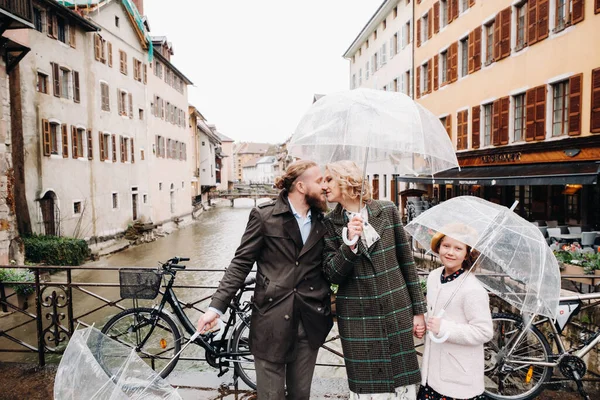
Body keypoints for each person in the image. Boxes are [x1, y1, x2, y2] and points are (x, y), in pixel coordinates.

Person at [196, 160, 334, 400]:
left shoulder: (324, 221)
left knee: (301, 395)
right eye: (319, 180)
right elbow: (240, 263)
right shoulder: (264, 216)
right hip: (272, 321)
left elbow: (333, 266)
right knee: (271, 396)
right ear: (301, 186)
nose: (325, 186)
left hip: (309, 320)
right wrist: (215, 308)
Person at [322, 160, 427, 399]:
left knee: (402, 384)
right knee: (366, 388)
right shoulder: (330, 223)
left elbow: (406, 262)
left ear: (346, 181)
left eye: (328, 179)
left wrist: (418, 311)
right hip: (357, 317)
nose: (323, 186)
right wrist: (349, 242)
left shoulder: (387, 210)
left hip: (395, 309)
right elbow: (332, 274)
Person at [418, 229, 493, 400]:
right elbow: (432, 310)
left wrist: (444, 328)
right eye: (446, 246)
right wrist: (423, 321)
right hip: (431, 372)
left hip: (457, 376)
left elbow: (484, 331)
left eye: (458, 248)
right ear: (438, 247)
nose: (450, 252)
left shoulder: (472, 289)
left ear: (467, 254)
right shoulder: (433, 276)